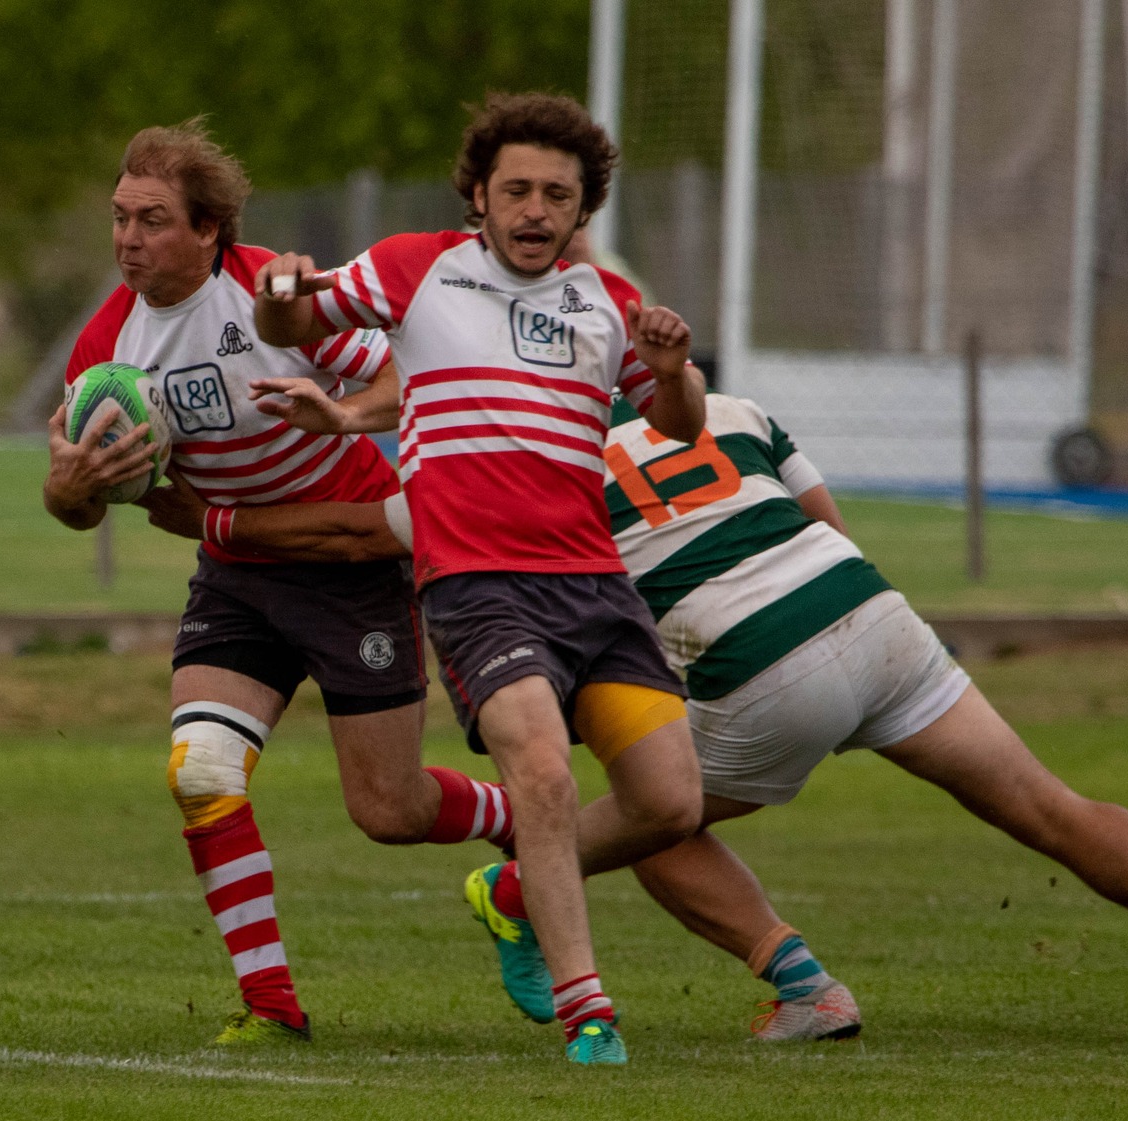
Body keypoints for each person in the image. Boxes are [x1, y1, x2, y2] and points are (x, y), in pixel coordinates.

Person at [144, 389, 1128, 1045]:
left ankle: (782, 976)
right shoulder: (734, 405)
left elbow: (363, 533)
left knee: (655, 809)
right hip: (872, 616)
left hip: (757, 659)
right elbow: (824, 516)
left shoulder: (523, 460)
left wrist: (219, 525)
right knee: (1049, 806)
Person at [248, 93, 709, 1065]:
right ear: (478, 196)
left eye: (556, 194)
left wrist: (672, 369)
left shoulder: (607, 302)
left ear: (581, 211)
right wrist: (281, 291)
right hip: (473, 580)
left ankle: (509, 894)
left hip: (592, 581)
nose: (535, 210)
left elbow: (674, 425)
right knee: (538, 771)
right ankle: (589, 1009)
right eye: (516, 191)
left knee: (670, 801)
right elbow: (293, 312)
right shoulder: (417, 268)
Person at [41, 121, 522, 1048]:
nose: (128, 240)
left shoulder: (276, 300)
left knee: (390, 810)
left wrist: (341, 417)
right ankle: (271, 1005)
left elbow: (400, 383)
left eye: (151, 220)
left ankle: (517, 817)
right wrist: (68, 490)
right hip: (237, 579)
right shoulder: (107, 349)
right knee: (202, 771)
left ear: (210, 228)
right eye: (118, 218)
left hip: (351, 559)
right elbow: (79, 505)